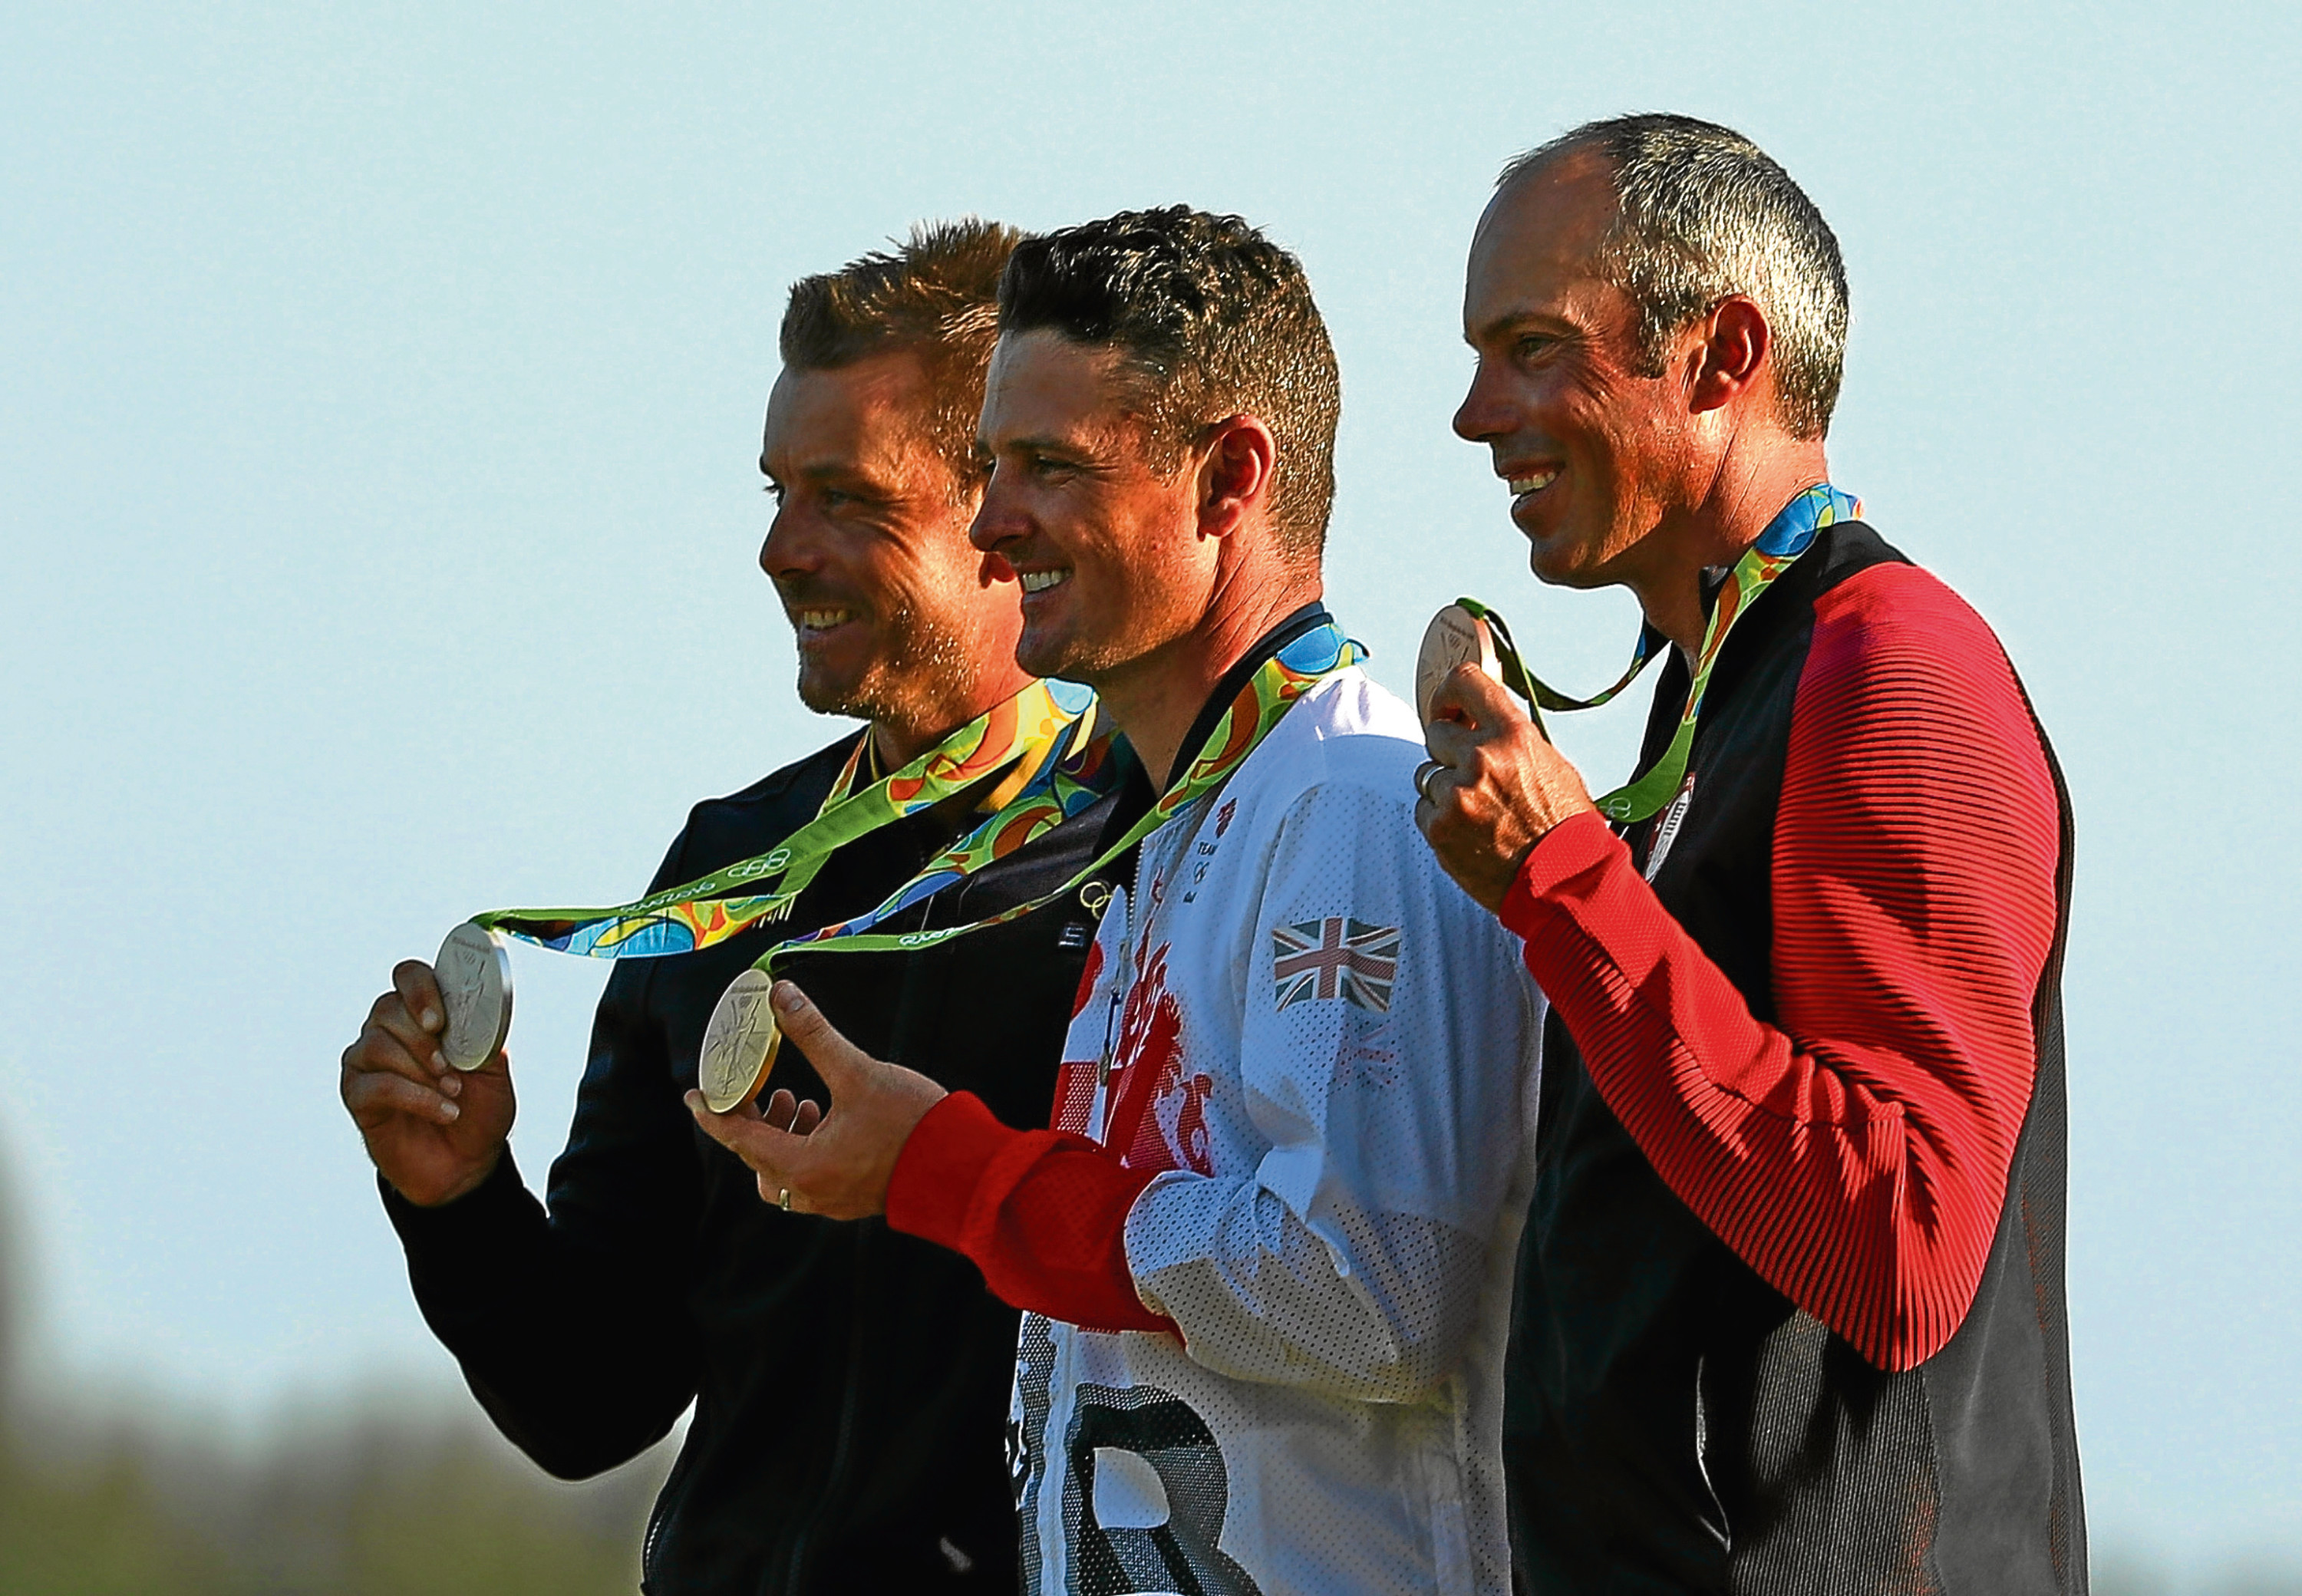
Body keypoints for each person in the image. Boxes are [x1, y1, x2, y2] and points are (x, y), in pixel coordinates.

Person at [693, 207, 1543, 1596]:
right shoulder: (1183, 820)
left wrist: (951, 1173)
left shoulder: (1345, 801)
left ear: (1228, 481)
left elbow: (1372, 1292)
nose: (991, 520)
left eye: (1046, 467)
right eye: (988, 465)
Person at [338, 220, 1120, 1594]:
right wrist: (457, 1200)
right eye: (775, 492)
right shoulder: (733, 865)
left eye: (845, 498)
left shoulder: (1155, 852)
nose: (780, 549)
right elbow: (590, 1404)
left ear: (1000, 515)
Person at [1416, 114, 2085, 1591]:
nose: (1475, 413)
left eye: (1532, 347)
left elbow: (1900, 1248)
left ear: (1723, 357)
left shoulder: (1891, 666)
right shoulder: (1713, 673)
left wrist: (1560, 878)